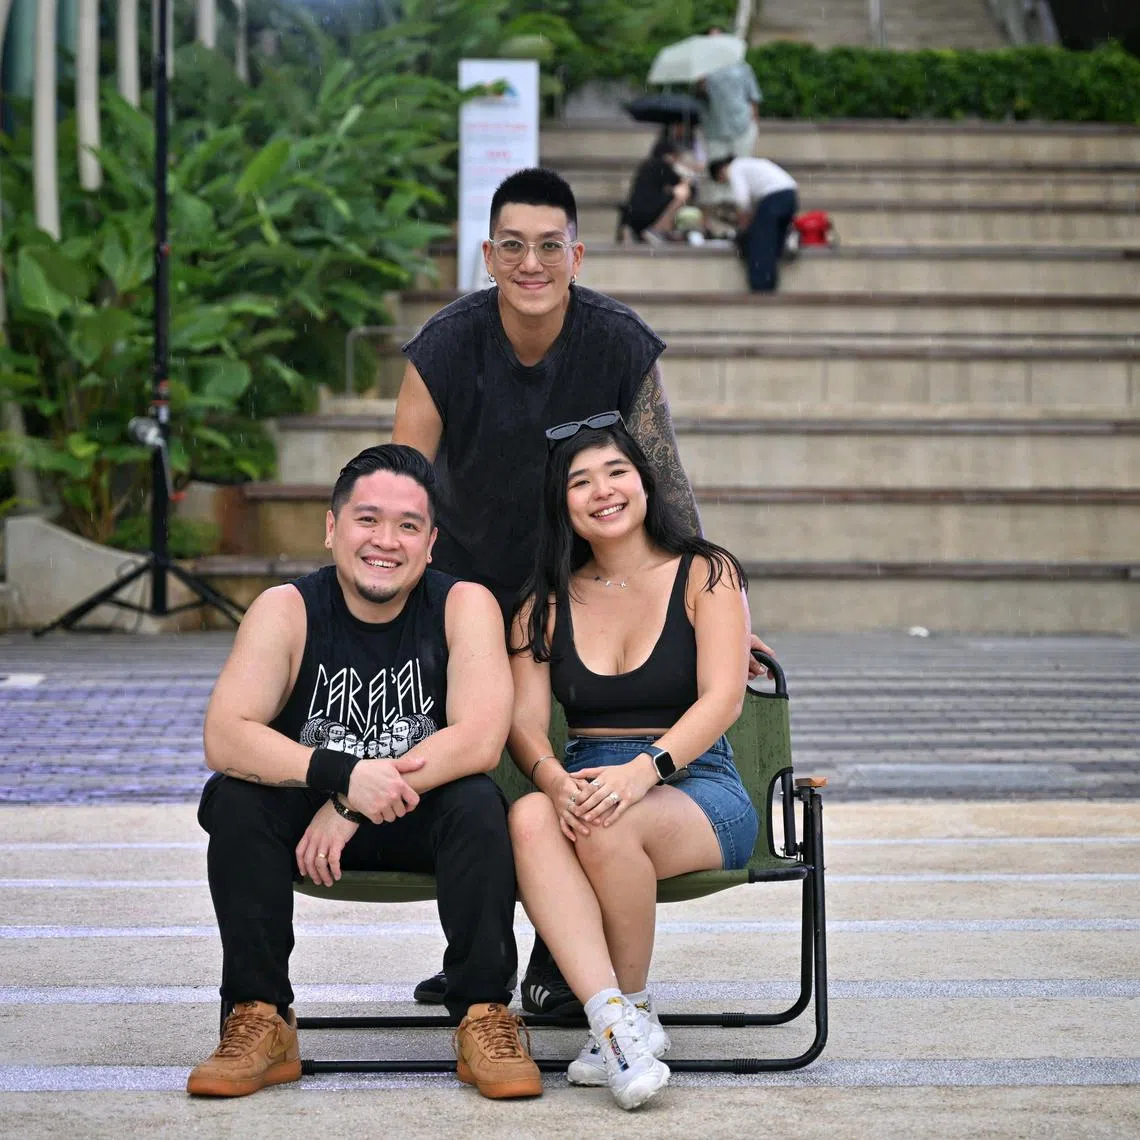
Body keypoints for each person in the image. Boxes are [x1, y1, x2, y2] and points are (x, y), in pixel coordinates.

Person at [392, 166, 775, 1016]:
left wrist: (703, 609)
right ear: (489, 255)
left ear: (577, 253)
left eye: (551, 247)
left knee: (575, 759)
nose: (533, 264)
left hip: (588, 576)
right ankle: (477, 952)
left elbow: (661, 476)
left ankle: (565, 959)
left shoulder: (616, 340)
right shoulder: (445, 346)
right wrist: (408, 609)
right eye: (515, 248)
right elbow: (405, 489)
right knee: (485, 763)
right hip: (468, 584)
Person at [187, 445, 542, 1101]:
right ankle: (260, 1017)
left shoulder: (464, 605)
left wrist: (351, 801)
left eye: (408, 526)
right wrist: (342, 775)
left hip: (418, 814)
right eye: (367, 520)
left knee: (477, 803)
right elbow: (226, 734)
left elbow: (480, 739)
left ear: (431, 543)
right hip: (304, 826)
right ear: (331, 528)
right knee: (234, 800)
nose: (386, 541)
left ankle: (482, 1013)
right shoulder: (286, 609)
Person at [506, 412, 759, 1110]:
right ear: (564, 507)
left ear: (644, 483)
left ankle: (634, 1006)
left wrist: (643, 769)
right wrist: (554, 781)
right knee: (530, 816)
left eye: (616, 472)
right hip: (588, 779)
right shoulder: (544, 604)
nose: (603, 490)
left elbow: (723, 699)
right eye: (580, 482)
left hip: (696, 783)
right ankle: (614, 1023)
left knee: (608, 820)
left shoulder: (707, 572)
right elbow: (525, 727)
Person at [708, 155, 799, 293]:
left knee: (760, 243)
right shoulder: (749, 163)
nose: (726, 182)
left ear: (721, 171)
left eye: (723, 181)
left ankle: (762, 286)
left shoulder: (735, 168)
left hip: (774, 196)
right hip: (790, 195)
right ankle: (783, 251)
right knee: (773, 241)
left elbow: (742, 201)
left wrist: (743, 226)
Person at [622, 140, 693, 244]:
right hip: (646, 214)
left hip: (632, 215)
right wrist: (686, 176)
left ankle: (662, 230)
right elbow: (682, 186)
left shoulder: (646, 165)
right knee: (681, 196)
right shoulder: (662, 165)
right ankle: (657, 230)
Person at [697, 55, 762, 162]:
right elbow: (700, 99)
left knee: (741, 165)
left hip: (742, 125)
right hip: (714, 129)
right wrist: (701, 85)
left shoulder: (742, 66)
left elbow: (753, 95)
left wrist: (755, 121)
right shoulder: (702, 69)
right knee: (717, 169)